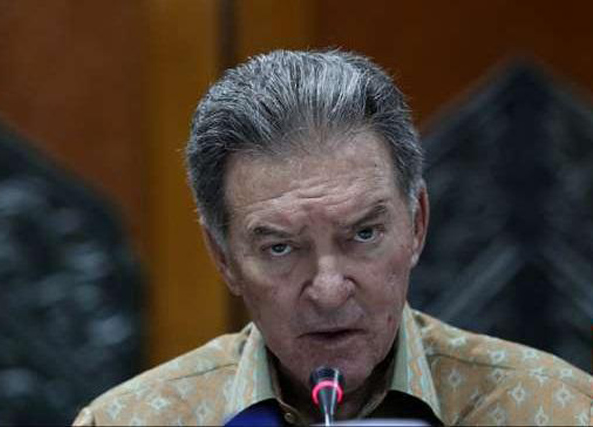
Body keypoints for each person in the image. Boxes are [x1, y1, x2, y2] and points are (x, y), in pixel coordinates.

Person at [73, 50, 592, 426]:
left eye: (363, 234)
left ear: (416, 224)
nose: (328, 290)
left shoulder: (556, 409)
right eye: (280, 248)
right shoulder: (130, 420)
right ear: (223, 257)